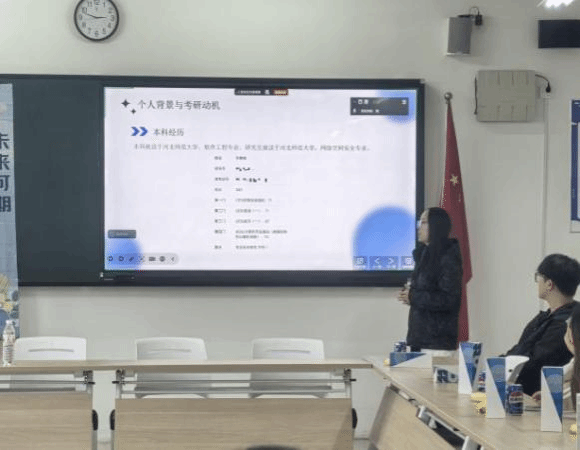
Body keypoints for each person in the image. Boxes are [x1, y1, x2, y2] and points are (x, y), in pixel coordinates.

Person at [502, 254, 580, 396]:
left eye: (539, 277)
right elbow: (520, 349)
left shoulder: (567, 323)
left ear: (549, 284)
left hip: (536, 395)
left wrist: (497, 371)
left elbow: (534, 363)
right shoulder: (546, 316)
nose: (537, 282)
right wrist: (495, 365)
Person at [397, 207, 463, 351]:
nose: (418, 228)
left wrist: (414, 296)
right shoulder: (424, 254)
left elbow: (448, 299)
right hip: (418, 339)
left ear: (436, 225)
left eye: (424, 222)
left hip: (437, 343)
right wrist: (409, 294)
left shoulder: (448, 257)